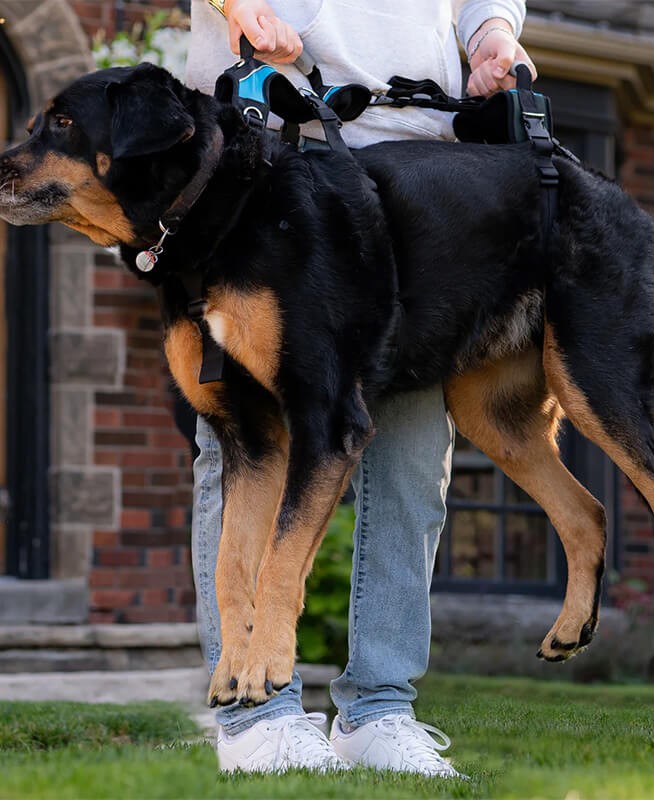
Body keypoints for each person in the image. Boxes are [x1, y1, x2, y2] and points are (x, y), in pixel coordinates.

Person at [185, 0, 536, 775]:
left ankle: (380, 708)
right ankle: (255, 710)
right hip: (270, 136)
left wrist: (491, 36)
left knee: (412, 453)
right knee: (249, 443)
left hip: (418, 156)